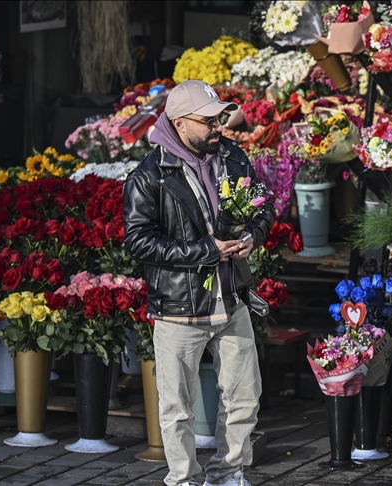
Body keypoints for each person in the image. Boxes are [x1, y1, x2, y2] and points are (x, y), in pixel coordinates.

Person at [123, 80, 275, 486]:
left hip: (232, 298)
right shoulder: (149, 175)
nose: (218, 126)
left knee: (245, 399)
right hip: (178, 308)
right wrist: (206, 250)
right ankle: (184, 480)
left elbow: (265, 204)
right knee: (177, 409)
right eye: (208, 120)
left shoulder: (232, 155)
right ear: (179, 123)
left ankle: (228, 474)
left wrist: (252, 235)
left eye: (220, 118)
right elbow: (138, 241)